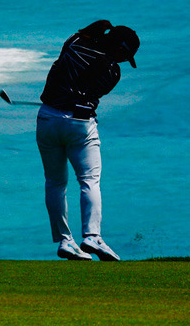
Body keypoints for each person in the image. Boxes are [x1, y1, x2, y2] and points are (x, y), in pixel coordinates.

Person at [36, 20, 139, 261]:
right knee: (89, 180)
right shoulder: (113, 72)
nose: (125, 61)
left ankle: (65, 241)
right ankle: (92, 236)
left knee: (54, 183)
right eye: (127, 55)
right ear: (120, 49)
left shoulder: (74, 44)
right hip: (80, 124)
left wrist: (90, 31)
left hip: (48, 118)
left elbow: (74, 44)